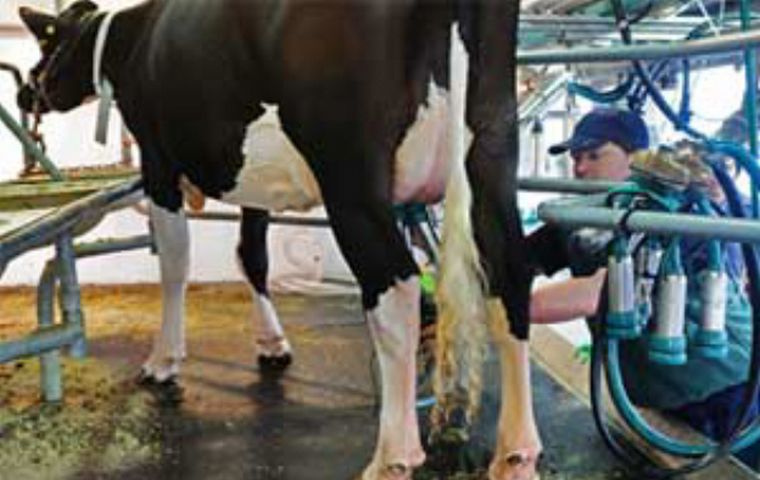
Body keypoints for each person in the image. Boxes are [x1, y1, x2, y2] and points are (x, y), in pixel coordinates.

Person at [527, 107, 759, 467]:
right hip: (657, 397)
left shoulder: (676, 212)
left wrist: (493, 311)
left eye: (594, 154)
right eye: (576, 157)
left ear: (637, 158)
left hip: (727, 392)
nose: (580, 168)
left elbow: (596, 293)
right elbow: (518, 260)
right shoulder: (579, 218)